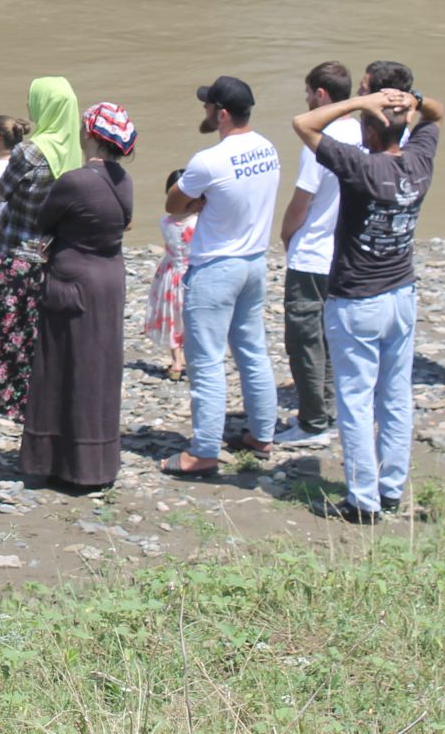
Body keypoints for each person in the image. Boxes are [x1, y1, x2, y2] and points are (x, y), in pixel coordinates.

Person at [293, 85, 445, 523]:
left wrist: (361, 101)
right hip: (402, 293)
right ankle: (391, 488)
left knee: (356, 400)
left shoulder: (361, 165)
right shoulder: (418, 160)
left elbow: (303, 124)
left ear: (369, 133)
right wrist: (414, 100)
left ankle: (363, 500)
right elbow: (438, 114)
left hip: (357, 298)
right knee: (396, 396)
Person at [161, 76, 282, 478]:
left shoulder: (209, 159)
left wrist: (202, 198)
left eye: (208, 107)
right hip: (254, 261)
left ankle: (204, 451)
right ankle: (262, 435)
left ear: (222, 114)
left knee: (207, 362)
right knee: (252, 351)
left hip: (215, 267)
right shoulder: (269, 148)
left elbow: (174, 203)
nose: (204, 112)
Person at [21, 103, 136, 490]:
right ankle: (96, 463)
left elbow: (44, 220)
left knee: (61, 367)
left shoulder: (76, 180)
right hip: (110, 278)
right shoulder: (124, 181)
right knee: (99, 368)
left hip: (72, 279)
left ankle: (56, 461)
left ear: (90, 135)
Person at [0, 77, 79, 422]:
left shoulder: (31, 151)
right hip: (47, 254)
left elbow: (2, 193)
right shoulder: (71, 152)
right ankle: (25, 400)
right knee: (29, 331)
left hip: (13, 250)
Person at [274, 61, 362, 446]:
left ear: (321, 94)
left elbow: (301, 202)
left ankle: (312, 423)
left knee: (305, 339)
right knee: (332, 338)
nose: (307, 100)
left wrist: (286, 235)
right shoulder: (361, 132)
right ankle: (330, 411)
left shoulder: (319, 139)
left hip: (313, 253)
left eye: (308, 93)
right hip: (346, 251)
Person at [145, 170, 193, 379]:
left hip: (170, 274)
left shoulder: (165, 222)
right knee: (191, 318)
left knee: (172, 318)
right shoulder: (197, 221)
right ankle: (192, 362)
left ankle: (176, 362)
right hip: (192, 274)